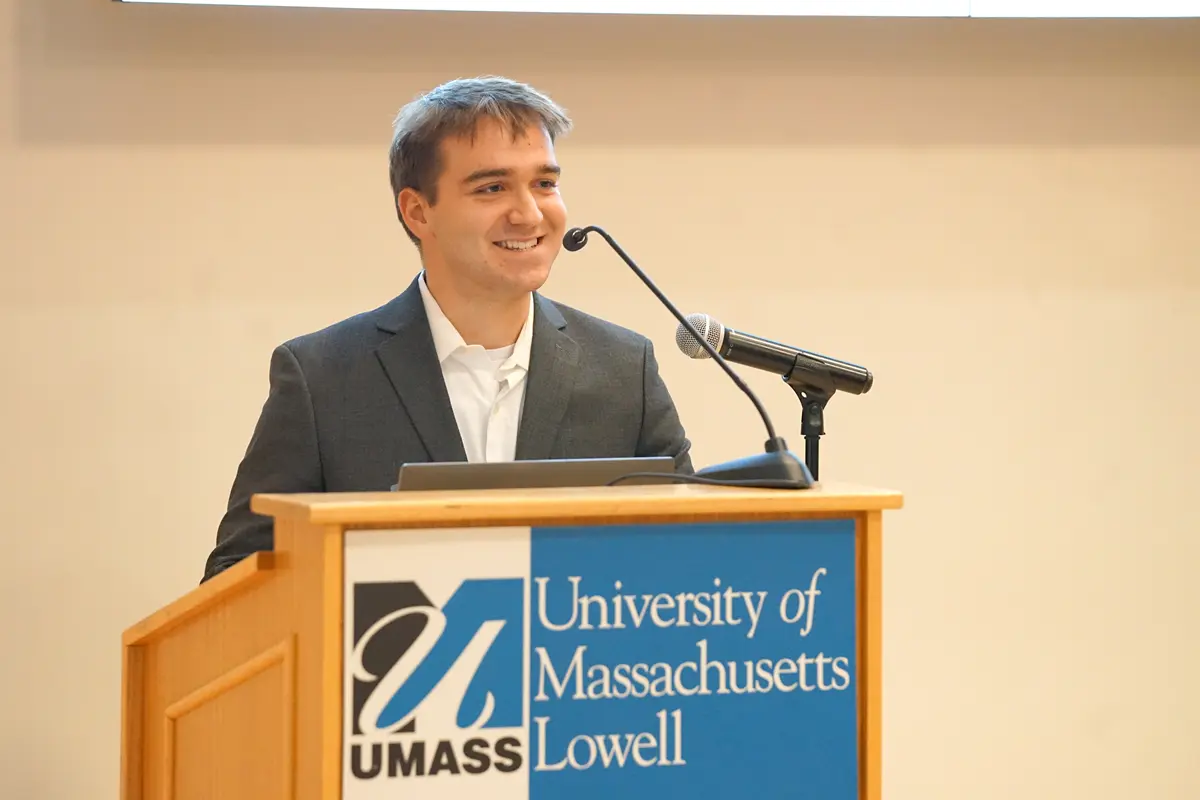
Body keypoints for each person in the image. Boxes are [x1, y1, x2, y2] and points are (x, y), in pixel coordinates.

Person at [201, 76, 693, 582]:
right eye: (492, 188)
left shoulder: (623, 370)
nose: (529, 214)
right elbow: (236, 575)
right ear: (418, 212)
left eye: (544, 184)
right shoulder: (322, 378)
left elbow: (693, 557)